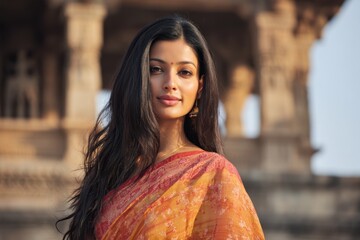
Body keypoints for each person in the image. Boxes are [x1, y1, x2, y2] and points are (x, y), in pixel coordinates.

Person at [58, 16, 264, 240]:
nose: (170, 83)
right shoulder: (110, 173)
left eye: (184, 72)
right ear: (137, 78)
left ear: (200, 86)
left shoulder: (212, 175)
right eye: (156, 69)